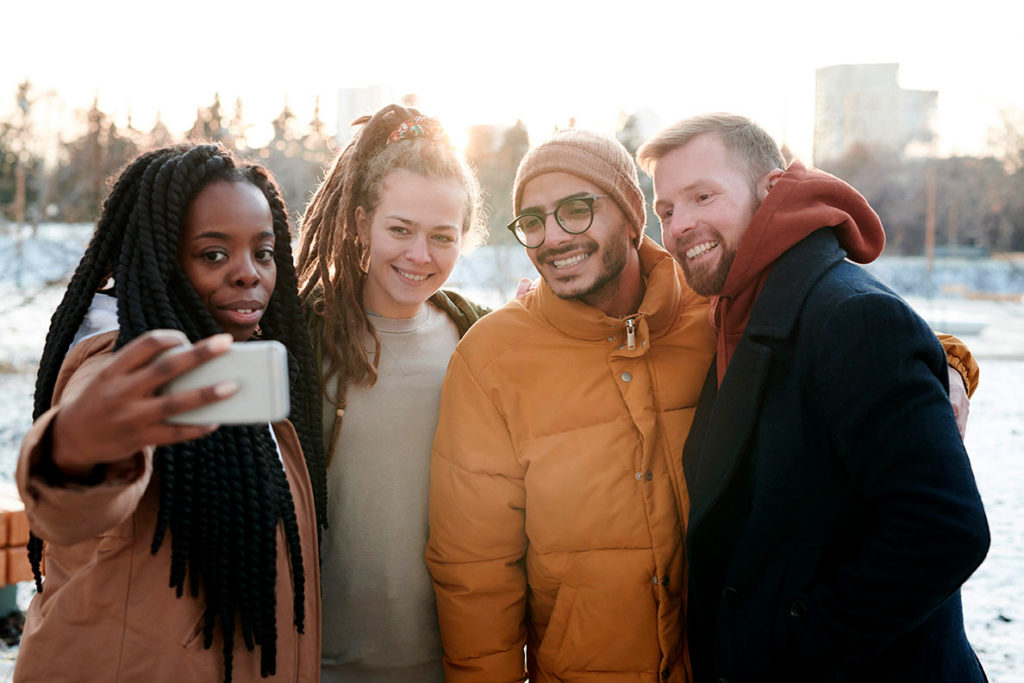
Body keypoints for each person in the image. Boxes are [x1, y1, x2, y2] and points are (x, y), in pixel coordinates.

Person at [636, 113, 989, 682]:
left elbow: (944, 530)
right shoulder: (735, 309)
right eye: (668, 210)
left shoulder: (850, 316)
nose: (680, 226)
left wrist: (801, 646)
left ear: (771, 189)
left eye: (703, 195)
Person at [15, 144, 326, 682]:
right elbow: (67, 510)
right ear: (159, 262)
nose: (249, 274)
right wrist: (75, 452)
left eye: (264, 252)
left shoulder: (241, 372)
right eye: (213, 254)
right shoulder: (123, 369)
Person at [425, 127, 716, 682]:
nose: (553, 237)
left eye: (576, 210)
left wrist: (937, 361)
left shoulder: (714, 315)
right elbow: (476, 575)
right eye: (532, 221)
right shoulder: (491, 361)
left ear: (632, 216)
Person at [294, 104, 488, 682]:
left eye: (441, 237)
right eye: (399, 230)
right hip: (317, 663)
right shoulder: (302, 340)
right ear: (360, 223)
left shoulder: (481, 342)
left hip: (451, 663)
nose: (419, 255)